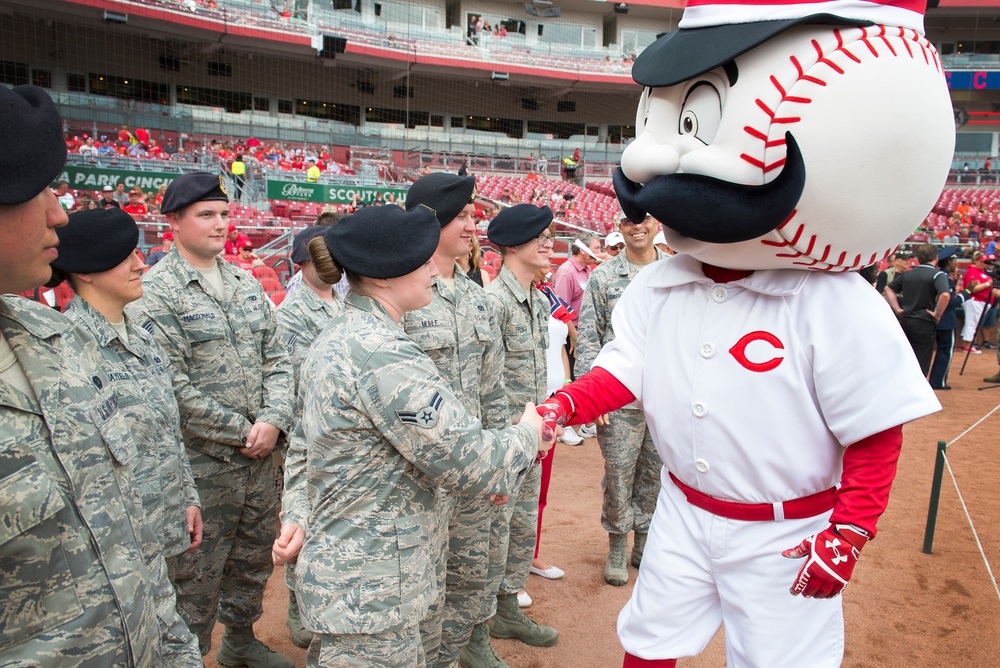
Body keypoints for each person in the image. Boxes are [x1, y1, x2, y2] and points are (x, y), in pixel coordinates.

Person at [538, 0, 951, 662]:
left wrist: (851, 529)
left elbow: (873, 428)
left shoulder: (837, 302)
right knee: (648, 637)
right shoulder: (659, 281)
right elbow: (625, 368)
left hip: (787, 530)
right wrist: (565, 405)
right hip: (683, 510)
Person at [272, 205, 546, 667]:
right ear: (381, 277)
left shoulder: (344, 333)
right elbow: (472, 459)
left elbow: (304, 442)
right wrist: (527, 433)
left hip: (362, 583)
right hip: (375, 593)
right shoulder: (383, 354)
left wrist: (297, 510)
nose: (431, 271)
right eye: (419, 262)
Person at [0, 83, 201, 667]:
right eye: (39, 190)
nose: (58, 213)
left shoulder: (45, 343)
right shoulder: (75, 342)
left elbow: (126, 544)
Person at [128, 172, 295, 667]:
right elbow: (170, 387)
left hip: (260, 460)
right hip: (202, 468)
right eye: (206, 215)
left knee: (251, 560)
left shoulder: (245, 281)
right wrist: (245, 431)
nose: (220, 223)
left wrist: (274, 418)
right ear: (174, 223)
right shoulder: (155, 293)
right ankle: (189, 656)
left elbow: (279, 358)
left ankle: (239, 640)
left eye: (224, 214)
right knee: (195, 576)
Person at [50, 206, 203, 573]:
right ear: (85, 271)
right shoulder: (68, 352)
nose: (140, 265)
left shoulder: (145, 340)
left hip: (168, 526)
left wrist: (188, 497)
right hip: (118, 548)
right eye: (125, 257)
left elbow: (170, 430)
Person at [402, 172, 512, 665]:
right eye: (462, 216)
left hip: (470, 475)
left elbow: (493, 390)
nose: (473, 225)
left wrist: (498, 463)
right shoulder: (401, 293)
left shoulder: (476, 298)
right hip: (418, 479)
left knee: (468, 581)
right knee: (417, 593)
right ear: (431, 220)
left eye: (473, 215)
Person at [475, 204, 561, 663]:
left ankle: (507, 605)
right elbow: (484, 382)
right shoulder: (492, 302)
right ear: (511, 245)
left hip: (532, 437)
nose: (549, 245)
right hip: (504, 441)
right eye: (539, 238)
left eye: (549, 236)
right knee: (493, 531)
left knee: (523, 525)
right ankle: (479, 621)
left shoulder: (539, 298)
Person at [576, 211, 667, 587]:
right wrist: (591, 397)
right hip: (619, 400)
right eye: (629, 221)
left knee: (656, 474)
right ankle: (617, 541)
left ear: (657, 224)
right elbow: (588, 338)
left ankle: (643, 540)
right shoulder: (604, 277)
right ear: (620, 227)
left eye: (644, 220)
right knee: (618, 474)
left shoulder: (678, 272)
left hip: (665, 398)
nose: (638, 227)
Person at [273, 225, 341, 650]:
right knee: (303, 524)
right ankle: (298, 602)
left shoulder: (348, 304)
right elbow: (287, 384)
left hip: (343, 439)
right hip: (308, 441)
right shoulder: (290, 315)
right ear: (302, 262)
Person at [884, 243, 951, 377]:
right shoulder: (937, 275)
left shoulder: (908, 274)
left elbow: (888, 289)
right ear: (936, 257)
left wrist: (897, 309)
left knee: (905, 359)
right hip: (924, 321)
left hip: (907, 320)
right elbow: (945, 295)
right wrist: (937, 315)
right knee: (921, 362)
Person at [929, 247, 973, 390]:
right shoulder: (945, 277)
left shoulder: (939, 274)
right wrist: (967, 292)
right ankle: (938, 381)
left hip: (937, 318)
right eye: (955, 260)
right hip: (945, 319)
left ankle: (936, 380)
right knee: (945, 350)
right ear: (949, 262)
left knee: (940, 349)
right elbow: (952, 302)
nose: (957, 263)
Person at [958, 251, 993, 354]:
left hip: (981, 302)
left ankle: (966, 344)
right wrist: (988, 284)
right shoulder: (972, 271)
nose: (984, 264)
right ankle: (968, 345)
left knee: (973, 323)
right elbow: (972, 289)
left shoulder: (981, 271)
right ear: (976, 260)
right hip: (974, 301)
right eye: (982, 261)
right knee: (972, 323)